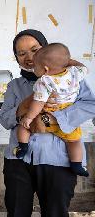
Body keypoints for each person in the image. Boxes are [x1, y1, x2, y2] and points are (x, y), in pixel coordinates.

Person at [0, 29, 95, 217]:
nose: (29, 57)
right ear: (16, 57)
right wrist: (24, 106)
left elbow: (90, 104)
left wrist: (50, 119)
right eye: (21, 53)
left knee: (55, 212)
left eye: (35, 49)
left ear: (45, 49)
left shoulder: (72, 80)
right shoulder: (15, 85)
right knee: (17, 211)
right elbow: (4, 119)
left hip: (60, 159)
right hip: (18, 160)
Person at [15, 43, 89, 177]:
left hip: (48, 116)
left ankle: (23, 146)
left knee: (23, 126)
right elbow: (84, 68)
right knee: (75, 141)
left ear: (45, 69)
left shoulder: (45, 81)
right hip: (67, 118)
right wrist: (67, 61)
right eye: (21, 53)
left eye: (36, 66)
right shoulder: (75, 73)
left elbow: (38, 103)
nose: (32, 65)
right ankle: (77, 164)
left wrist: (29, 118)